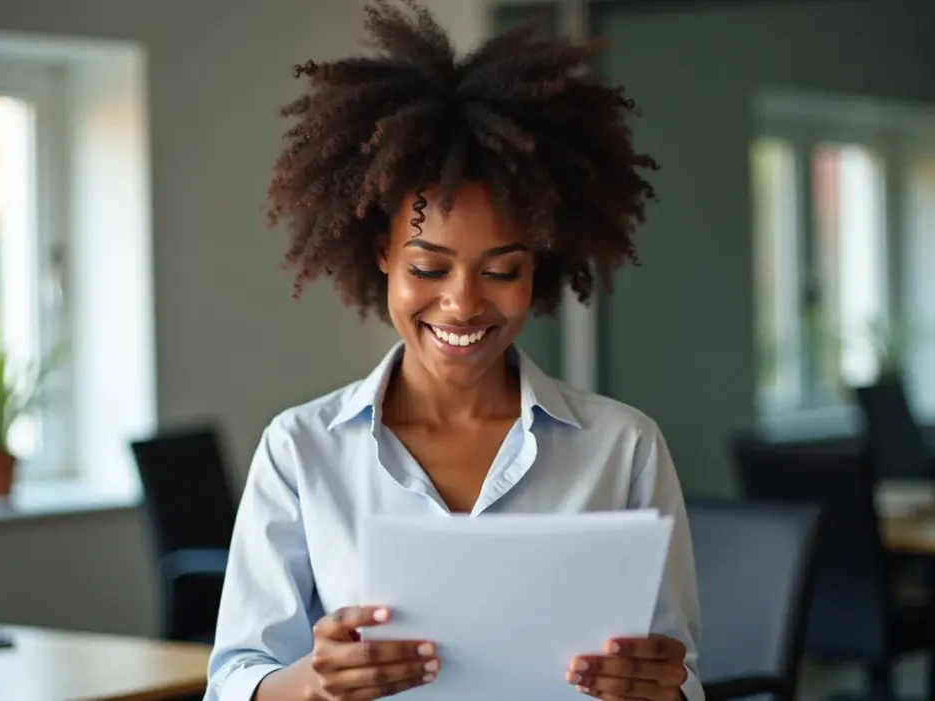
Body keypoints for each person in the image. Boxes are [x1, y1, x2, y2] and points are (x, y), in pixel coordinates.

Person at [205, 2, 701, 701]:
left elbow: (680, 675)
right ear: (383, 253)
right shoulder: (300, 450)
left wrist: (662, 689)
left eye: (501, 270)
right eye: (429, 268)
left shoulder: (624, 447)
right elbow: (233, 680)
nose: (463, 303)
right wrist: (311, 683)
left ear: (540, 265)